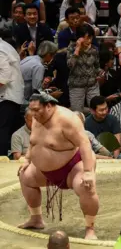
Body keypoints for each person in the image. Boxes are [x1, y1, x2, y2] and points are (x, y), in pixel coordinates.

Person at [17, 93, 99, 239]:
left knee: (87, 187)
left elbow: (84, 143)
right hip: (44, 170)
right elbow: (33, 141)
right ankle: (36, 219)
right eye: (31, 110)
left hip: (72, 166)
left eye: (37, 110)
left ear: (48, 106)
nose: (33, 114)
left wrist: (88, 171)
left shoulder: (67, 119)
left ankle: (90, 229)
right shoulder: (37, 117)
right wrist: (27, 159)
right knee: (25, 176)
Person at [0, 29, 24, 156]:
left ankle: (1, 160)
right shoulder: (5, 46)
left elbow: (4, 76)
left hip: (7, 96)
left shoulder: (1, 49)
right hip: (11, 96)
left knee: (2, 130)